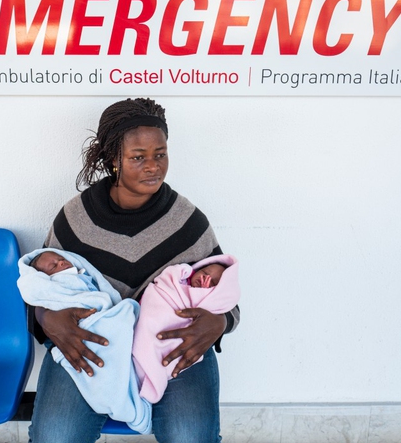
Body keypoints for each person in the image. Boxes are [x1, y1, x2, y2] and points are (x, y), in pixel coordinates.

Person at [27, 97, 240, 443]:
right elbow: (42, 289)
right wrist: (46, 319)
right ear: (113, 160)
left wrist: (221, 322)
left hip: (168, 349)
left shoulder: (187, 221)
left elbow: (226, 295)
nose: (153, 166)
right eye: (138, 157)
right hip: (93, 345)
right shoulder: (76, 219)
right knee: (55, 437)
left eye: (160, 154)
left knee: (191, 437)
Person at [17, 248, 152, 434]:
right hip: (78, 329)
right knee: (56, 434)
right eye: (53, 266)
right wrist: (46, 318)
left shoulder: (83, 275)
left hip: (147, 323)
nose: (61, 264)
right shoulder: (57, 283)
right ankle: (124, 403)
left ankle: (129, 395)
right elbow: (38, 296)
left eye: (61, 259)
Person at [132, 255, 240, 404]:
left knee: (186, 427)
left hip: (185, 341)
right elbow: (164, 286)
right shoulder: (177, 280)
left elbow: (230, 305)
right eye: (204, 272)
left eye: (213, 282)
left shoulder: (192, 232)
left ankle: (148, 372)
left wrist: (220, 321)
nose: (205, 279)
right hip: (128, 319)